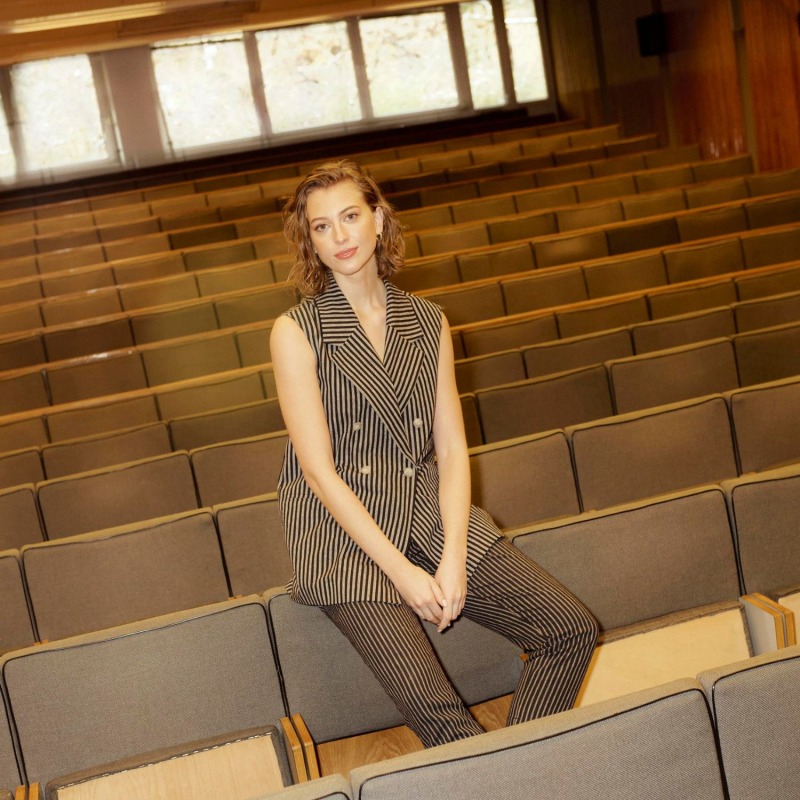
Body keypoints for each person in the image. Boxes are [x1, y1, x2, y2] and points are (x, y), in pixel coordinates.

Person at [270, 159, 598, 749]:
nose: (340, 236)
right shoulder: (296, 331)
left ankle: (516, 775)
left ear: (378, 218)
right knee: (447, 723)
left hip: (426, 508)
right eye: (322, 227)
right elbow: (317, 471)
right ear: (309, 242)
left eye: (350, 216)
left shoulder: (429, 320)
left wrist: (452, 557)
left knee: (569, 629)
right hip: (344, 537)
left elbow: (450, 447)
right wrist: (402, 573)